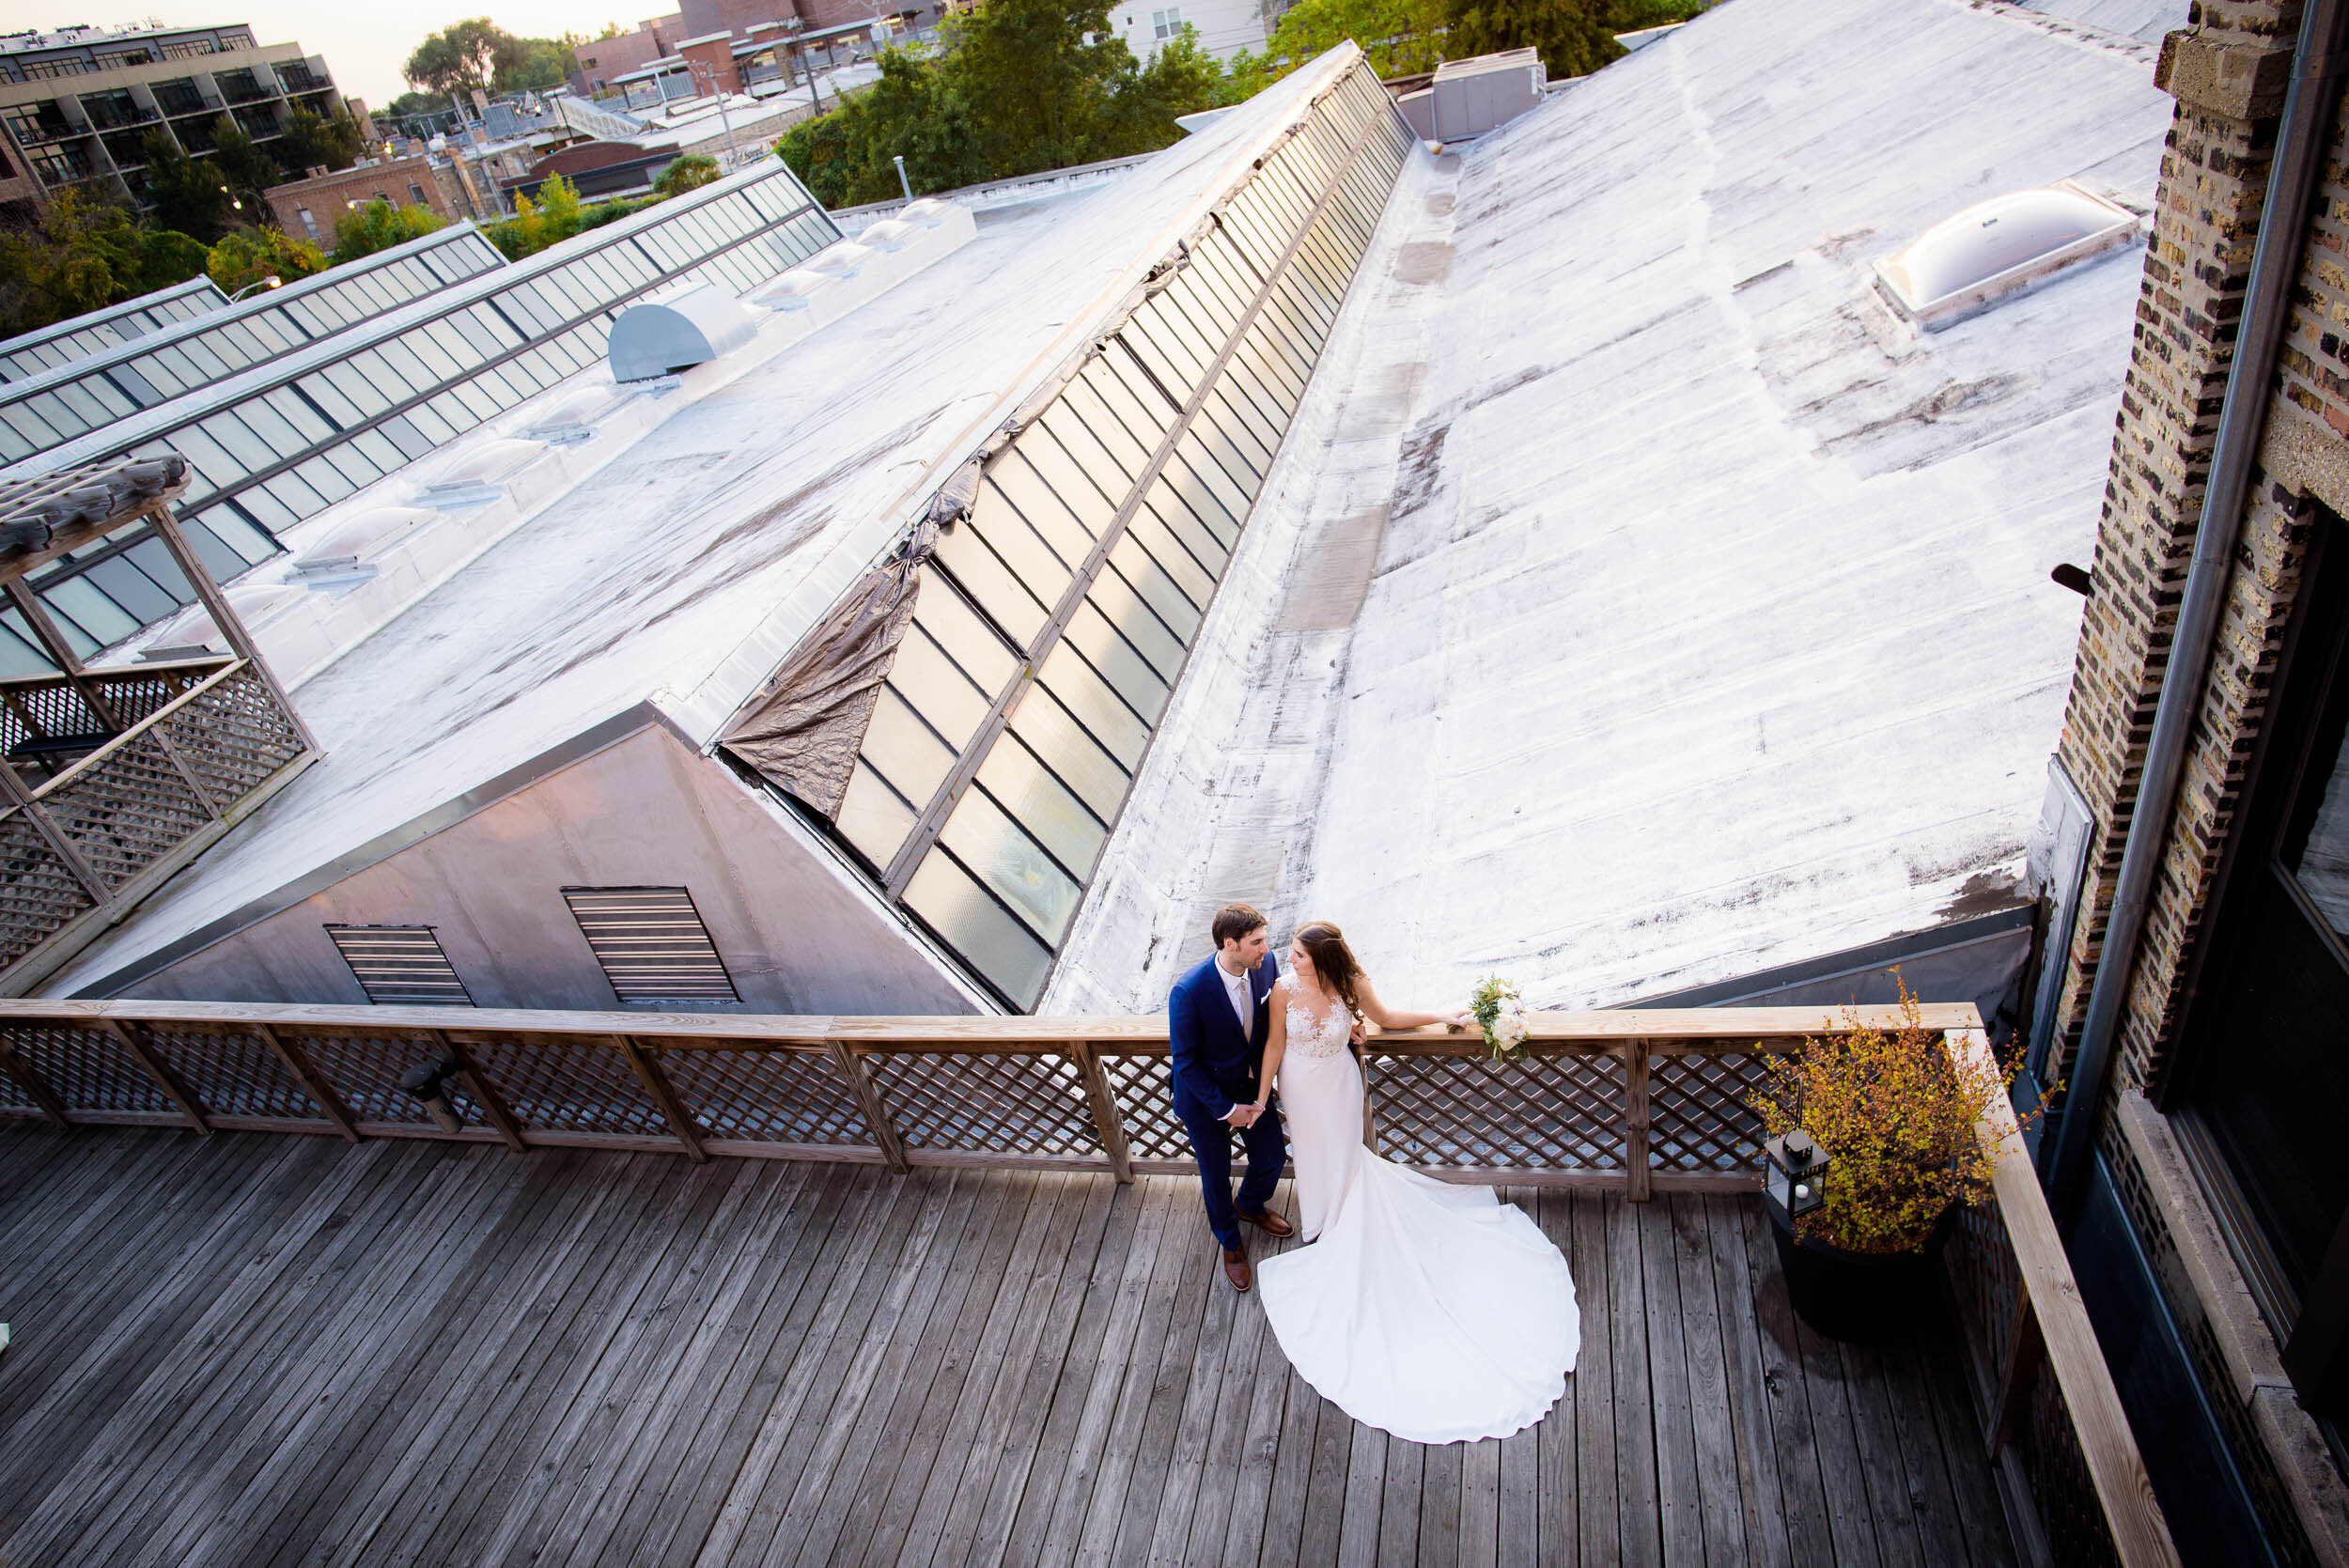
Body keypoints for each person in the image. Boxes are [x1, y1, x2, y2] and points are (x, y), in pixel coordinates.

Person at [1251, 921, 1579, 1444]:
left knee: (1346, 1156)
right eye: (1290, 952)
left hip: (1337, 1086)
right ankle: (1325, 1220)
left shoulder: (1351, 981)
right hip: (1298, 1086)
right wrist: (1265, 1096)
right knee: (1313, 1159)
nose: (1290, 959)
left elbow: (1385, 1018)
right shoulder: (1283, 991)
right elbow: (1273, 1045)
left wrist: (1439, 1013)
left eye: (1299, 955)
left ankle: (1341, 1222)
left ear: (1325, 959)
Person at [1167, 903, 1296, 1292]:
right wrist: (1225, 1111)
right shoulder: (1188, 991)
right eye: (1256, 942)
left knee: (1272, 1156)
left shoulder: (1265, 965)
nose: (1266, 948)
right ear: (1230, 944)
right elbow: (1185, 1063)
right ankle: (1231, 1242)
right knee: (1216, 1175)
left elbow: (1280, 1015)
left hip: (1250, 1089)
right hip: (1206, 1101)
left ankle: (1251, 1205)